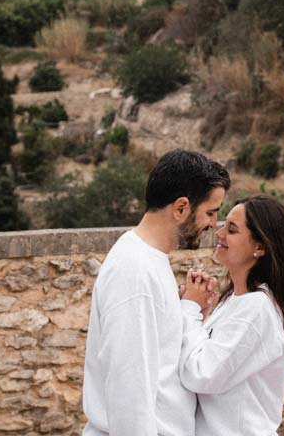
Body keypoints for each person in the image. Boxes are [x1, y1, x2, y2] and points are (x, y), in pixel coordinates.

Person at [81, 149, 231, 436]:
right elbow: (129, 392)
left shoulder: (149, 261)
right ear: (181, 208)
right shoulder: (135, 271)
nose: (214, 224)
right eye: (211, 212)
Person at [179, 194, 284, 436]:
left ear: (260, 247)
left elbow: (201, 374)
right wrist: (203, 318)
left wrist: (190, 309)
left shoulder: (256, 308)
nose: (219, 234)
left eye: (232, 230)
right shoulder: (234, 301)